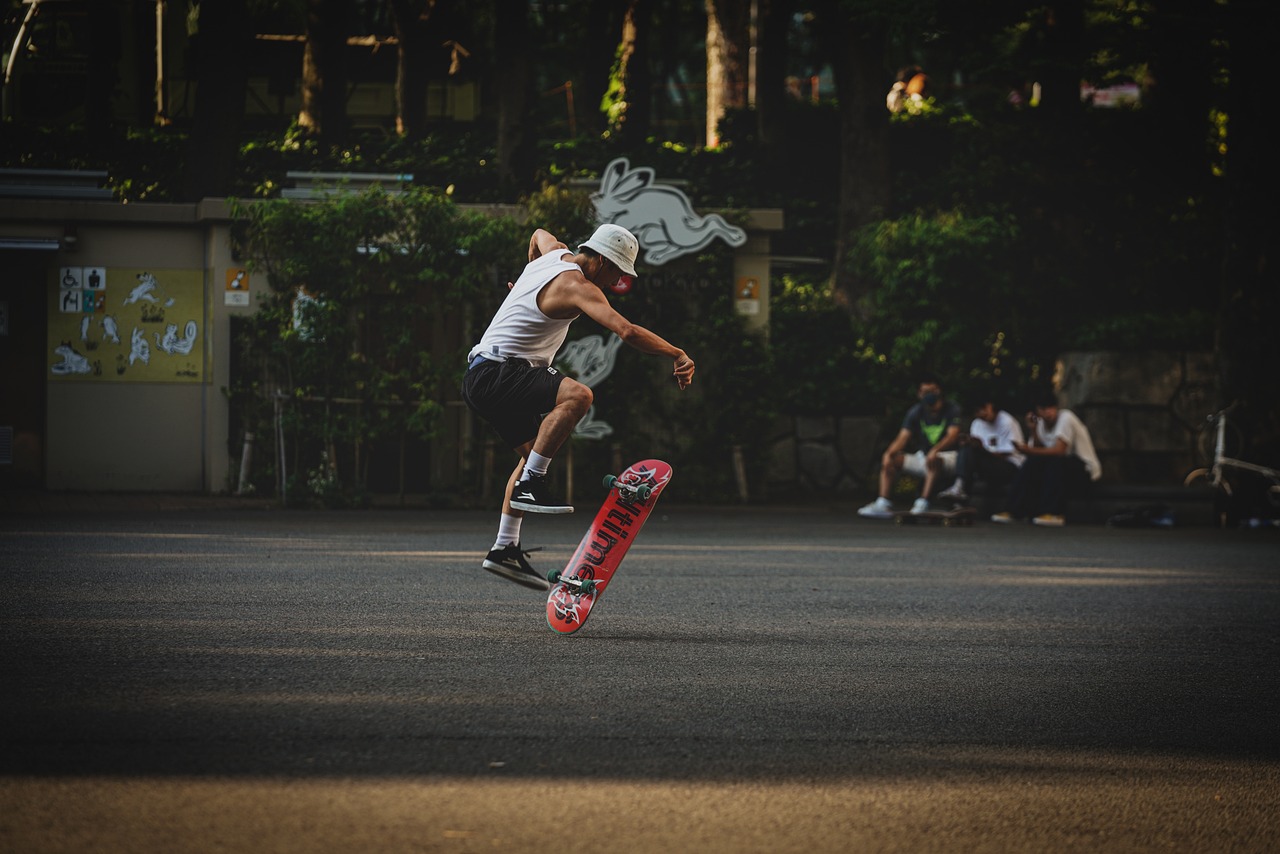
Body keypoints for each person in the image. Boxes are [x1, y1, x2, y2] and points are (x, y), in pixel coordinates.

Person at [461, 223, 696, 590]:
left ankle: (504, 546)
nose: (616, 282)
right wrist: (677, 353)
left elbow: (537, 233)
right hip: (500, 373)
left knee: (532, 455)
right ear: (602, 261)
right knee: (579, 395)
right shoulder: (578, 287)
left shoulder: (554, 252)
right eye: (617, 273)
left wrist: (525, 282)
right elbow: (627, 331)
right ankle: (532, 484)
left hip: (482, 374)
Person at [857, 374, 963, 518]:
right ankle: (883, 503)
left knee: (933, 459)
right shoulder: (916, 411)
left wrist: (935, 450)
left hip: (950, 458)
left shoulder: (952, 409)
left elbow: (952, 435)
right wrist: (889, 453)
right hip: (923, 457)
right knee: (892, 459)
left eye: (932, 391)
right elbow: (903, 437)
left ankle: (923, 502)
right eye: (925, 392)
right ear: (919, 394)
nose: (929, 395)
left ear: (939, 391)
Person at [990, 388, 1101, 527]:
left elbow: (1059, 451)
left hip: (1084, 469)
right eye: (1043, 409)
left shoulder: (1066, 418)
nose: (1048, 412)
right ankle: (1014, 510)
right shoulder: (1040, 424)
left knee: (1055, 461)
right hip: (1056, 471)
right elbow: (1040, 450)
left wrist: (1028, 450)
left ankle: (1053, 513)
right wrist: (1033, 429)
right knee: (1033, 463)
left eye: (1051, 407)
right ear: (1036, 411)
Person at [937, 391, 1025, 505]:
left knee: (971, 452)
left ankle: (959, 488)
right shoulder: (977, 423)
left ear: (991, 405)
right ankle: (958, 492)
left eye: (983, 409)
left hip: (1010, 466)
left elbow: (1005, 454)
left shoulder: (1006, 421)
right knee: (966, 449)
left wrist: (981, 448)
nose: (981, 414)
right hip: (987, 464)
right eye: (977, 412)